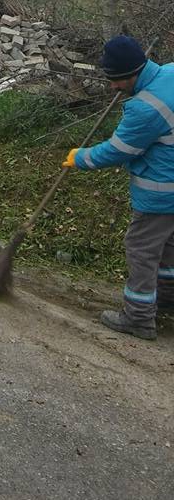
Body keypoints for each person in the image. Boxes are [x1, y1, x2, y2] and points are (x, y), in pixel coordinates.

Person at [63, 35, 174, 340]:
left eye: (116, 80)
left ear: (133, 73)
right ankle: (166, 298)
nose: (113, 87)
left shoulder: (145, 108)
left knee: (141, 249)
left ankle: (138, 317)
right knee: (168, 248)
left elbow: (118, 151)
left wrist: (80, 158)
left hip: (162, 193)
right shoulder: (171, 74)